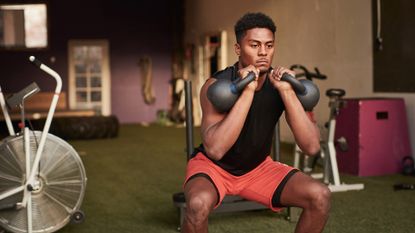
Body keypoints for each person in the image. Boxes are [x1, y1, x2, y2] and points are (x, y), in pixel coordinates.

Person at [182, 12, 330, 233]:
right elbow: (215, 149)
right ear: (238, 49)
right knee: (196, 205)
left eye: (269, 46)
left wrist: (287, 93)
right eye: (254, 45)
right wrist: (248, 90)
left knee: (320, 195)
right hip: (214, 168)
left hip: (258, 168)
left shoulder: (281, 85)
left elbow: (311, 147)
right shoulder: (216, 86)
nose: (263, 52)